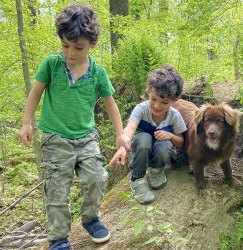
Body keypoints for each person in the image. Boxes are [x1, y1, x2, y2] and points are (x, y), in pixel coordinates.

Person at [19, 5, 130, 250]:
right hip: (55, 138)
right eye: (65, 45)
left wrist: (121, 135)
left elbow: (111, 105)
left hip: (87, 138)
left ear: (93, 43)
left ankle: (90, 219)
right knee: (57, 190)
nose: (70, 53)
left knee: (97, 178)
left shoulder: (98, 73)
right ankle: (58, 238)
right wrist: (27, 123)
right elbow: (36, 92)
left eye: (78, 47)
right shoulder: (52, 65)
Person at [109, 64, 187, 204]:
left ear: (174, 101)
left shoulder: (174, 116)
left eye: (164, 102)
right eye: (154, 99)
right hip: (140, 150)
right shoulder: (141, 109)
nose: (157, 106)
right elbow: (130, 128)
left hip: (158, 151)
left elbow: (181, 141)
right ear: (148, 93)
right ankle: (137, 179)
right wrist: (122, 146)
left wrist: (170, 136)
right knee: (144, 138)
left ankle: (156, 171)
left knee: (165, 145)